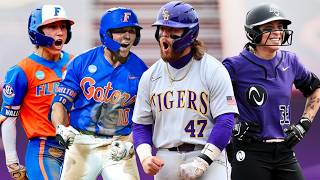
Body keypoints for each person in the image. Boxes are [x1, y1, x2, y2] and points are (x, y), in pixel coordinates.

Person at [132, 1, 239, 180]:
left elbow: (226, 121)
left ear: (190, 34)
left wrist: (202, 162)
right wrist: (144, 157)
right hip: (166, 158)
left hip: (208, 154)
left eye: (172, 31)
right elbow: (141, 124)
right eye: (162, 30)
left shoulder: (213, 69)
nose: (164, 37)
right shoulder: (150, 76)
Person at [222, 3, 320, 180]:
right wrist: (233, 129)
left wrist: (304, 124)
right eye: (269, 28)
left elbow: (316, 89)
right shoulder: (234, 66)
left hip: (284, 151)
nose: (278, 32)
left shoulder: (291, 60)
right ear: (253, 32)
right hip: (249, 151)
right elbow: (212, 103)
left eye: (280, 27)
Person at [50, 7, 148, 180]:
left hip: (120, 143)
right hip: (82, 142)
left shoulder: (143, 72)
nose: (127, 36)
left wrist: (131, 142)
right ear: (106, 34)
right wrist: (60, 128)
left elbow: (146, 119)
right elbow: (59, 104)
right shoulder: (81, 62)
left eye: (132, 31)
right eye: (120, 31)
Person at [0, 4, 74, 180]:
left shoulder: (75, 63)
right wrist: (12, 162)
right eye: (52, 26)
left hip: (76, 149)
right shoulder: (21, 70)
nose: (60, 32)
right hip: (44, 149)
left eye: (63, 26)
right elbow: (9, 118)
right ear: (37, 31)